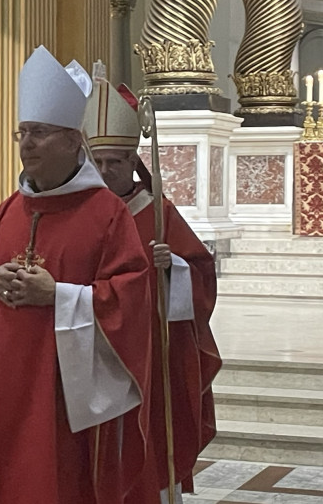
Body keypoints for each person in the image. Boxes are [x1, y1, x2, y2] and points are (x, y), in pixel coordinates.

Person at [0, 46, 152, 504]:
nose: (26, 144)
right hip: (0, 380)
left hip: (64, 391)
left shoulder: (105, 214)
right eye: (22, 133)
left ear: (71, 141)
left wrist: (59, 295)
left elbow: (130, 295)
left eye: (38, 133)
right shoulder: (9, 209)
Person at [85, 78, 222, 503]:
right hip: (93, 351)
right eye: (99, 161)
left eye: (116, 162)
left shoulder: (156, 211)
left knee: (149, 451)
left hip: (149, 357)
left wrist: (173, 270)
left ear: (134, 162)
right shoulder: (80, 212)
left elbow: (200, 274)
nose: (107, 171)